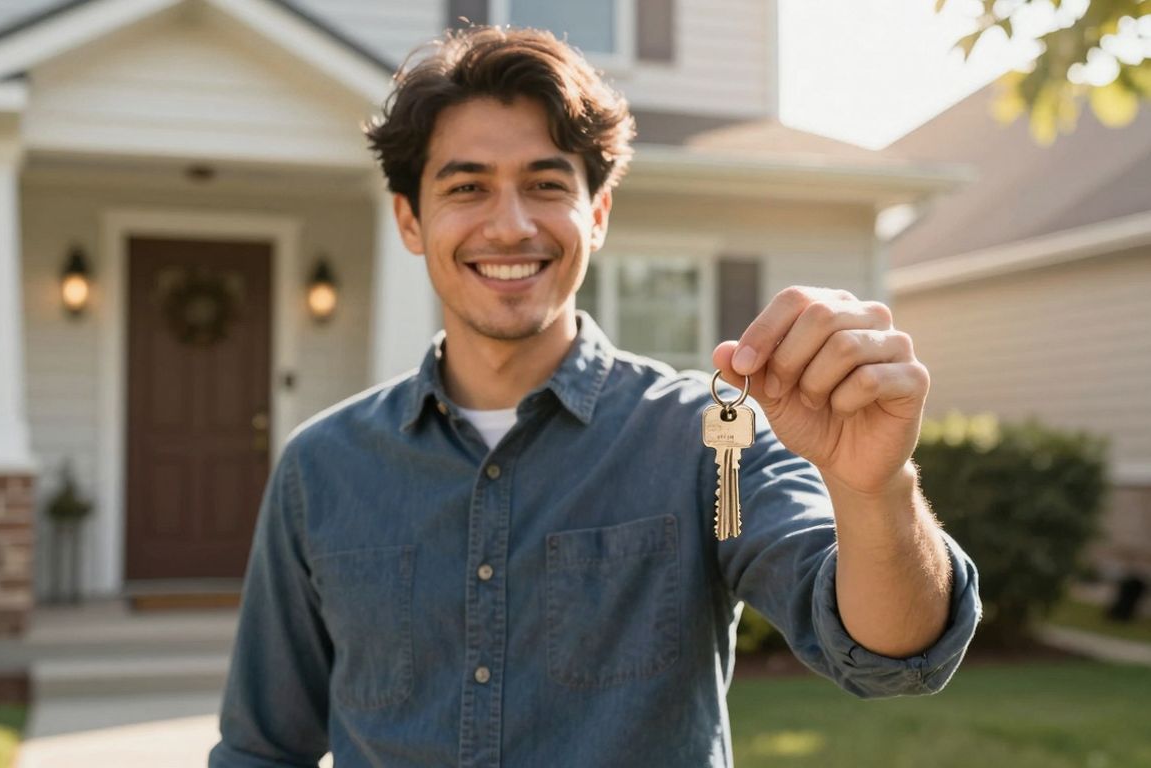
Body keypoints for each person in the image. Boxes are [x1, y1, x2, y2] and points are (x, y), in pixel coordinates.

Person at [209, 25, 980, 768]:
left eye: (546, 185)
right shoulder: (322, 467)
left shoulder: (708, 438)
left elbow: (891, 656)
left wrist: (876, 489)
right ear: (411, 219)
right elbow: (260, 749)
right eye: (467, 187)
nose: (509, 227)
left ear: (598, 214)